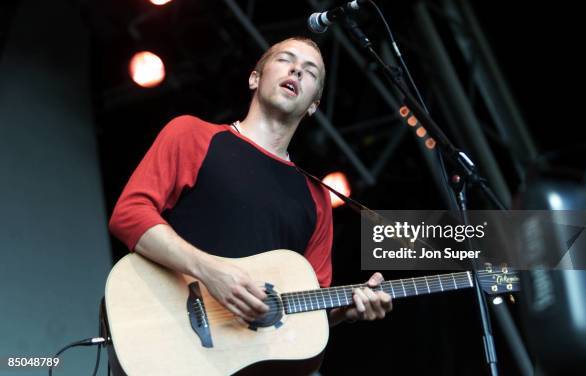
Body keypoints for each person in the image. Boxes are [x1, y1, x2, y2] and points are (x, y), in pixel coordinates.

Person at [109, 36, 392, 327]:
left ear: (313, 106)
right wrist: (210, 271)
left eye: (310, 72)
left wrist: (344, 312)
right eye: (285, 59)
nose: (296, 71)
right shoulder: (192, 134)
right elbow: (129, 215)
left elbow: (308, 311)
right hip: (167, 329)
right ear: (254, 78)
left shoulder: (317, 198)